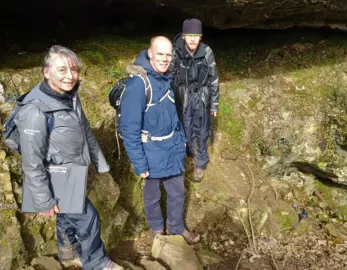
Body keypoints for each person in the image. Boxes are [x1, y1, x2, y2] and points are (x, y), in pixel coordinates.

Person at [15, 45, 123, 270]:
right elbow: (32, 161)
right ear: (46, 72)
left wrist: (99, 163)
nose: (70, 76)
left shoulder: (70, 96)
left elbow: (85, 131)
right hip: (57, 176)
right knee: (87, 218)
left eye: (73, 70)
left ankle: (67, 252)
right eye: (62, 70)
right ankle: (97, 263)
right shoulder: (35, 111)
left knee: (67, 214)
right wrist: (43, 199)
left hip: (74, 171)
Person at [119, 36, 200, 244]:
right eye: (160, 54)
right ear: (150, 53)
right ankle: (157, 230)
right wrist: (139, 163)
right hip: (151, 149)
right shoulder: (138, 85)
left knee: (177, 192)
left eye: (168, 54)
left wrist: (181, 138)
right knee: (152, 195)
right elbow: (129, 129)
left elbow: (174, 114)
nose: (165, 59)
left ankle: (176, 228)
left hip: (172, 147)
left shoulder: (166, 79)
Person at [170, 18, 220, 182]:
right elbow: (166, 74)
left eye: (196, 35)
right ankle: (189, 154)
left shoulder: (207, 52)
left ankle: (200, 163)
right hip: (182, 96)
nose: (193, 39)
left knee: (202, 130)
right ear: (183, 36)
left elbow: (213, 79)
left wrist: (214, 104)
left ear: (201, 37)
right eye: (189, 35)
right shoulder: (174, 52)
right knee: (185, 127)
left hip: (201, 95)